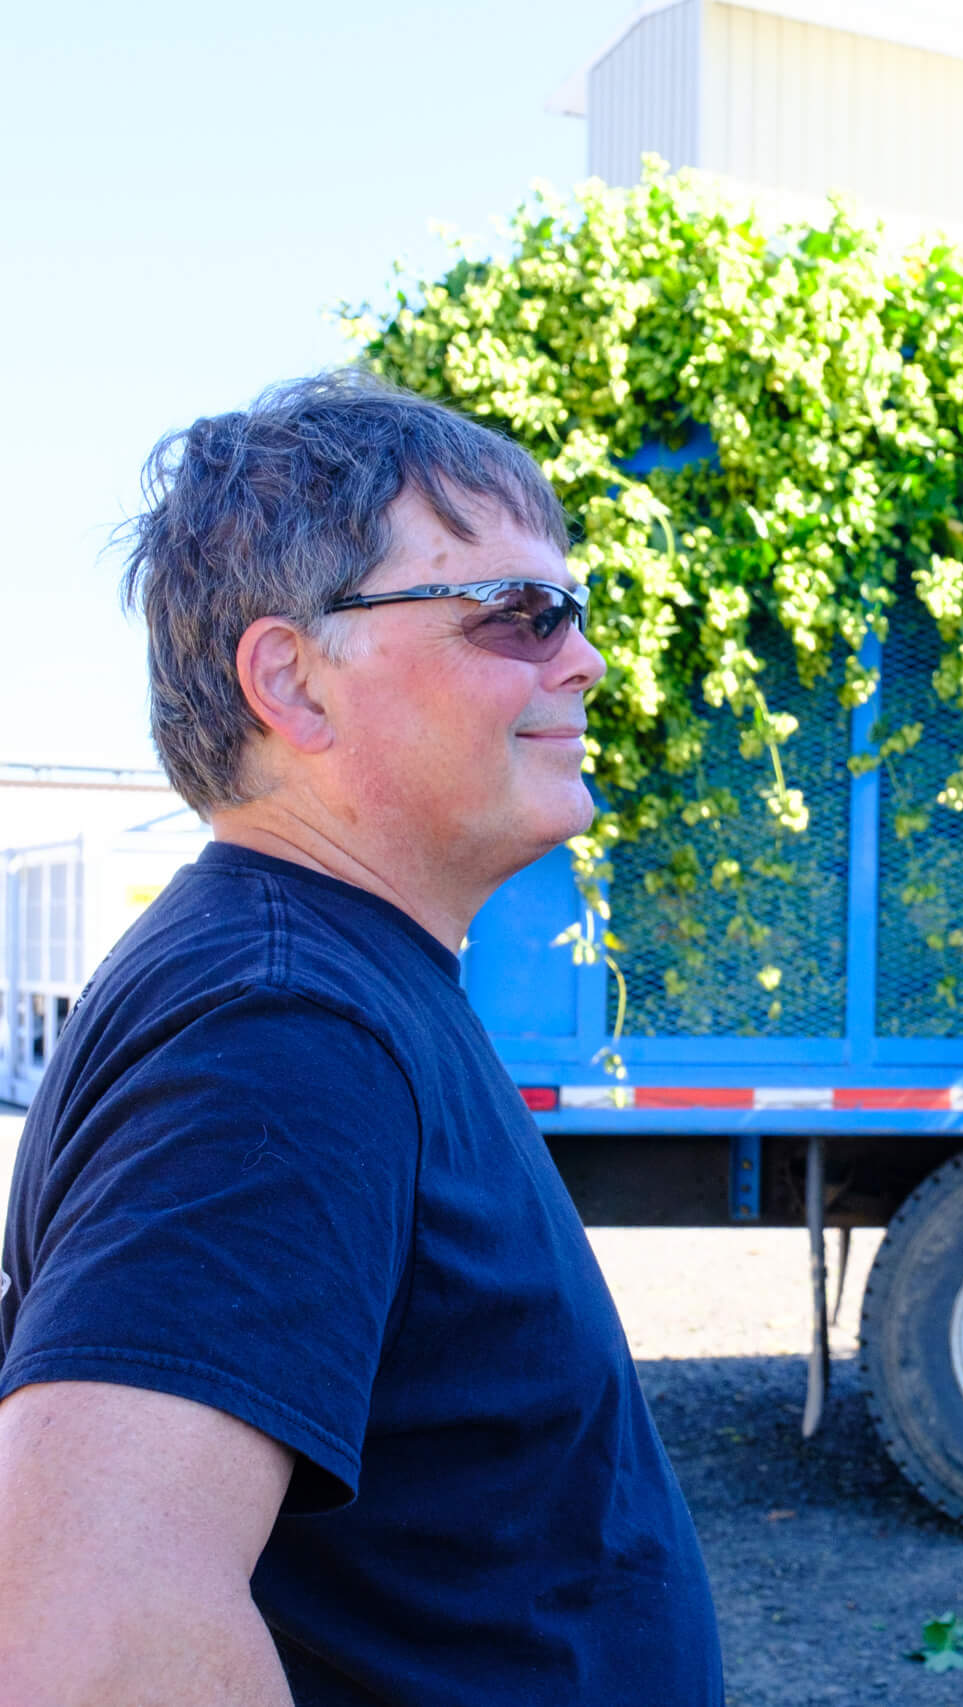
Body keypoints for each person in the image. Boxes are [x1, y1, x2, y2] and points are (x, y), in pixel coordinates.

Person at [0, 373, 723, 1704]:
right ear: (293, 680)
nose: (584, 657)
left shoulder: (327, 980)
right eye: (517, 612)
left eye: (572, 606)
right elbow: (98, 1647)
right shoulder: (277, 1027)